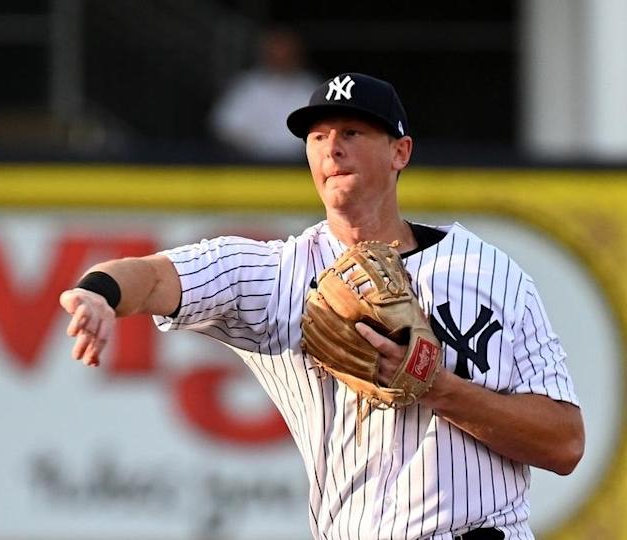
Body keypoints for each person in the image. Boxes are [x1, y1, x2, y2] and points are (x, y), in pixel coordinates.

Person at [59, 72, 584, 540]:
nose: (332, 149)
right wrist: (98, 293)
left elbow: (564, 444)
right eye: (318, 137)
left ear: (400, 152)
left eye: (352, 133)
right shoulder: (278, 275)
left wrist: (439, 388)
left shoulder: (489, 271)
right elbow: (152, 276)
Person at [210, 28, 321, 160]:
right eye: (276, 51)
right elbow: (225, 126)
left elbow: (324, 128)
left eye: (286, 52)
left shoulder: (310, 86)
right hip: (251, 164)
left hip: (300, 165)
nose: (281, 57)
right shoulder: (246, 86)